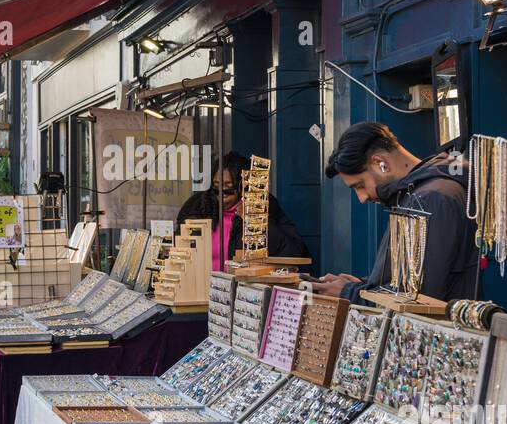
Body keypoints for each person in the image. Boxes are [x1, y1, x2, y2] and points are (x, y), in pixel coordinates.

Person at [319, 121, 479, 302]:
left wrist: (352, 293)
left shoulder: (428, 199)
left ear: (381, 163)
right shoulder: (426, 194)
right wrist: (365, 286)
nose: (362, 198)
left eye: (360, 185)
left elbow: (417, 299)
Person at [176, 151, 309, 270]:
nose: (221, 193)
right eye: (216, 187)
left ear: (243, 186)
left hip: (243, 291)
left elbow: (295, 250)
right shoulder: (198, 207)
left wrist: (255, 220)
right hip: (199, 290)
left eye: (228, 187)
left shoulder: (263, 205)